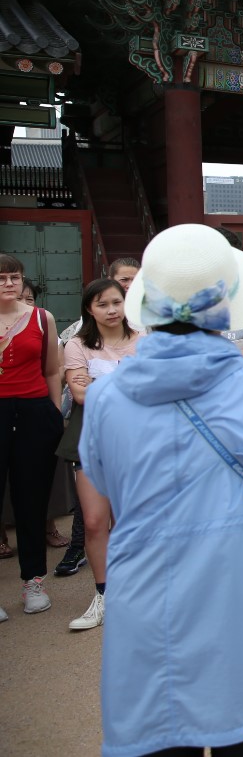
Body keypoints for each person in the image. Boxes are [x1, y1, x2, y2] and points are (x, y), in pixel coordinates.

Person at [82, 223, 243, 755]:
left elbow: (103, 481)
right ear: (227, 302)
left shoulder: (106, 397)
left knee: (160, 727)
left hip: (147, 594)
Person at [58, 278, 140, 631]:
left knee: (128, 521)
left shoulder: (145, 340)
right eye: (102, 304)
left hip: (138, 439)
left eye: (116, 303)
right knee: (94, 521)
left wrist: (99, 385)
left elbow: (153, 390)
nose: (111, 310)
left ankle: (133, 592)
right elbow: (79, 397)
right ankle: (104, 593)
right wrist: (129, 383)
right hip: (90, 438)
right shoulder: (77, 345)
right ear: (89, 309)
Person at [0, 254, 63, 619]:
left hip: (34, 410)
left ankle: (33, 583)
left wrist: (54, 413)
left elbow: (52, 370)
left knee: (31, 498)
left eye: (14, 277)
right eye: (3, 277)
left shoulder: (42, 318)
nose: (9, 283)